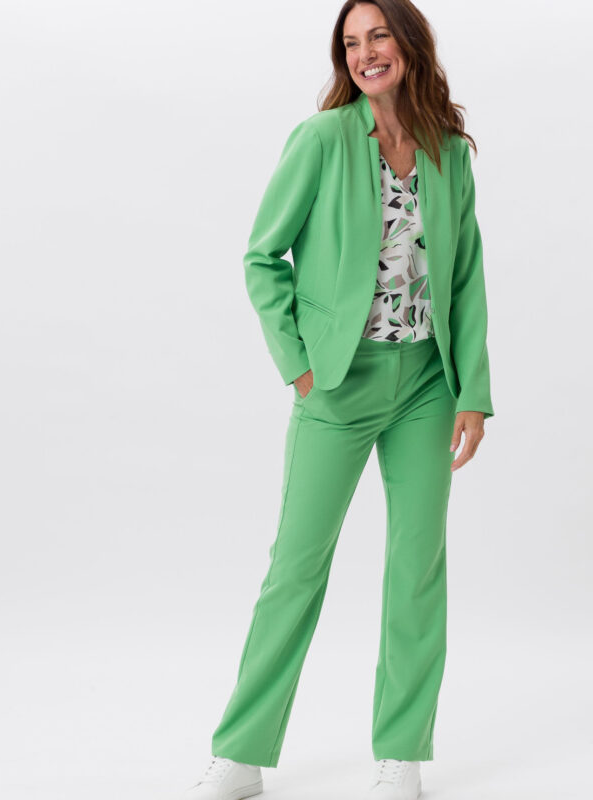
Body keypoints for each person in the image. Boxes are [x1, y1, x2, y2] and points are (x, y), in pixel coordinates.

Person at [183, 1, 494, 798]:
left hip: (427, 384)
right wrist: (299, 366)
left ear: (409, 43)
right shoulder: (322, 139)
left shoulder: (448, 151)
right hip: (338, 382)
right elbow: (262, 256)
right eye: (352, 43)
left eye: (378, 35)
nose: (365, 53)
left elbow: (465, 277)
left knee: (417, 568)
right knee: (296, 568)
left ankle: (401, 752)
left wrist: (473, 391)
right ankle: (240, 753)